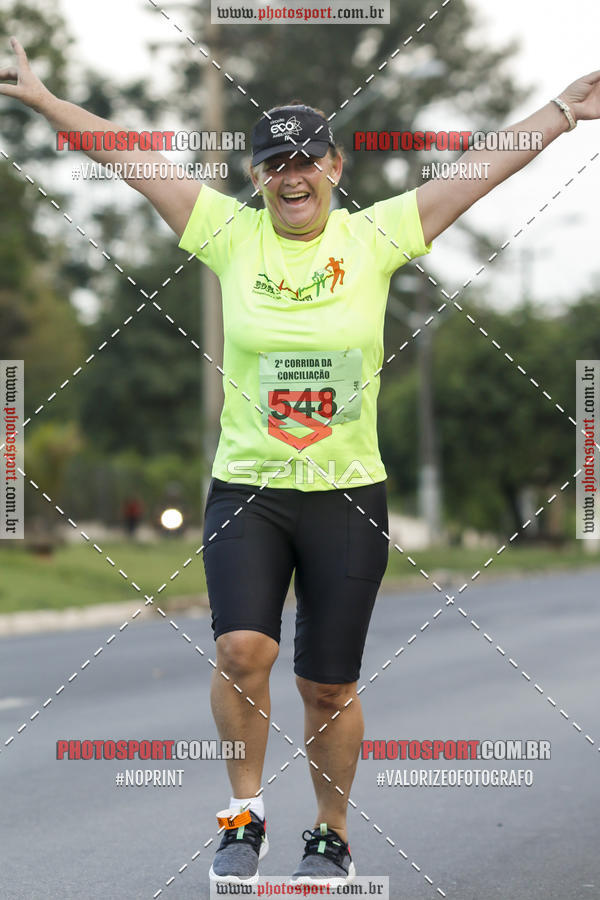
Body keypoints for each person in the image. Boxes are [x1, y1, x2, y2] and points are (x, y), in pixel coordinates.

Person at [2, 36, 599, 886]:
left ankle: (331, 828)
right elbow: (129, 157)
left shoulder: (378, 236)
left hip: (348, 495)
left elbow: (478, 170)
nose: (291, 173)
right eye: (273, 161)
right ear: (254, 176)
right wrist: (44, 100)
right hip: (248, 487)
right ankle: (242, 813)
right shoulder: (227, 234)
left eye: (306, 158)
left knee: (330, 689)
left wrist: (563, 113)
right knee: (243, 649)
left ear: (335, 165)